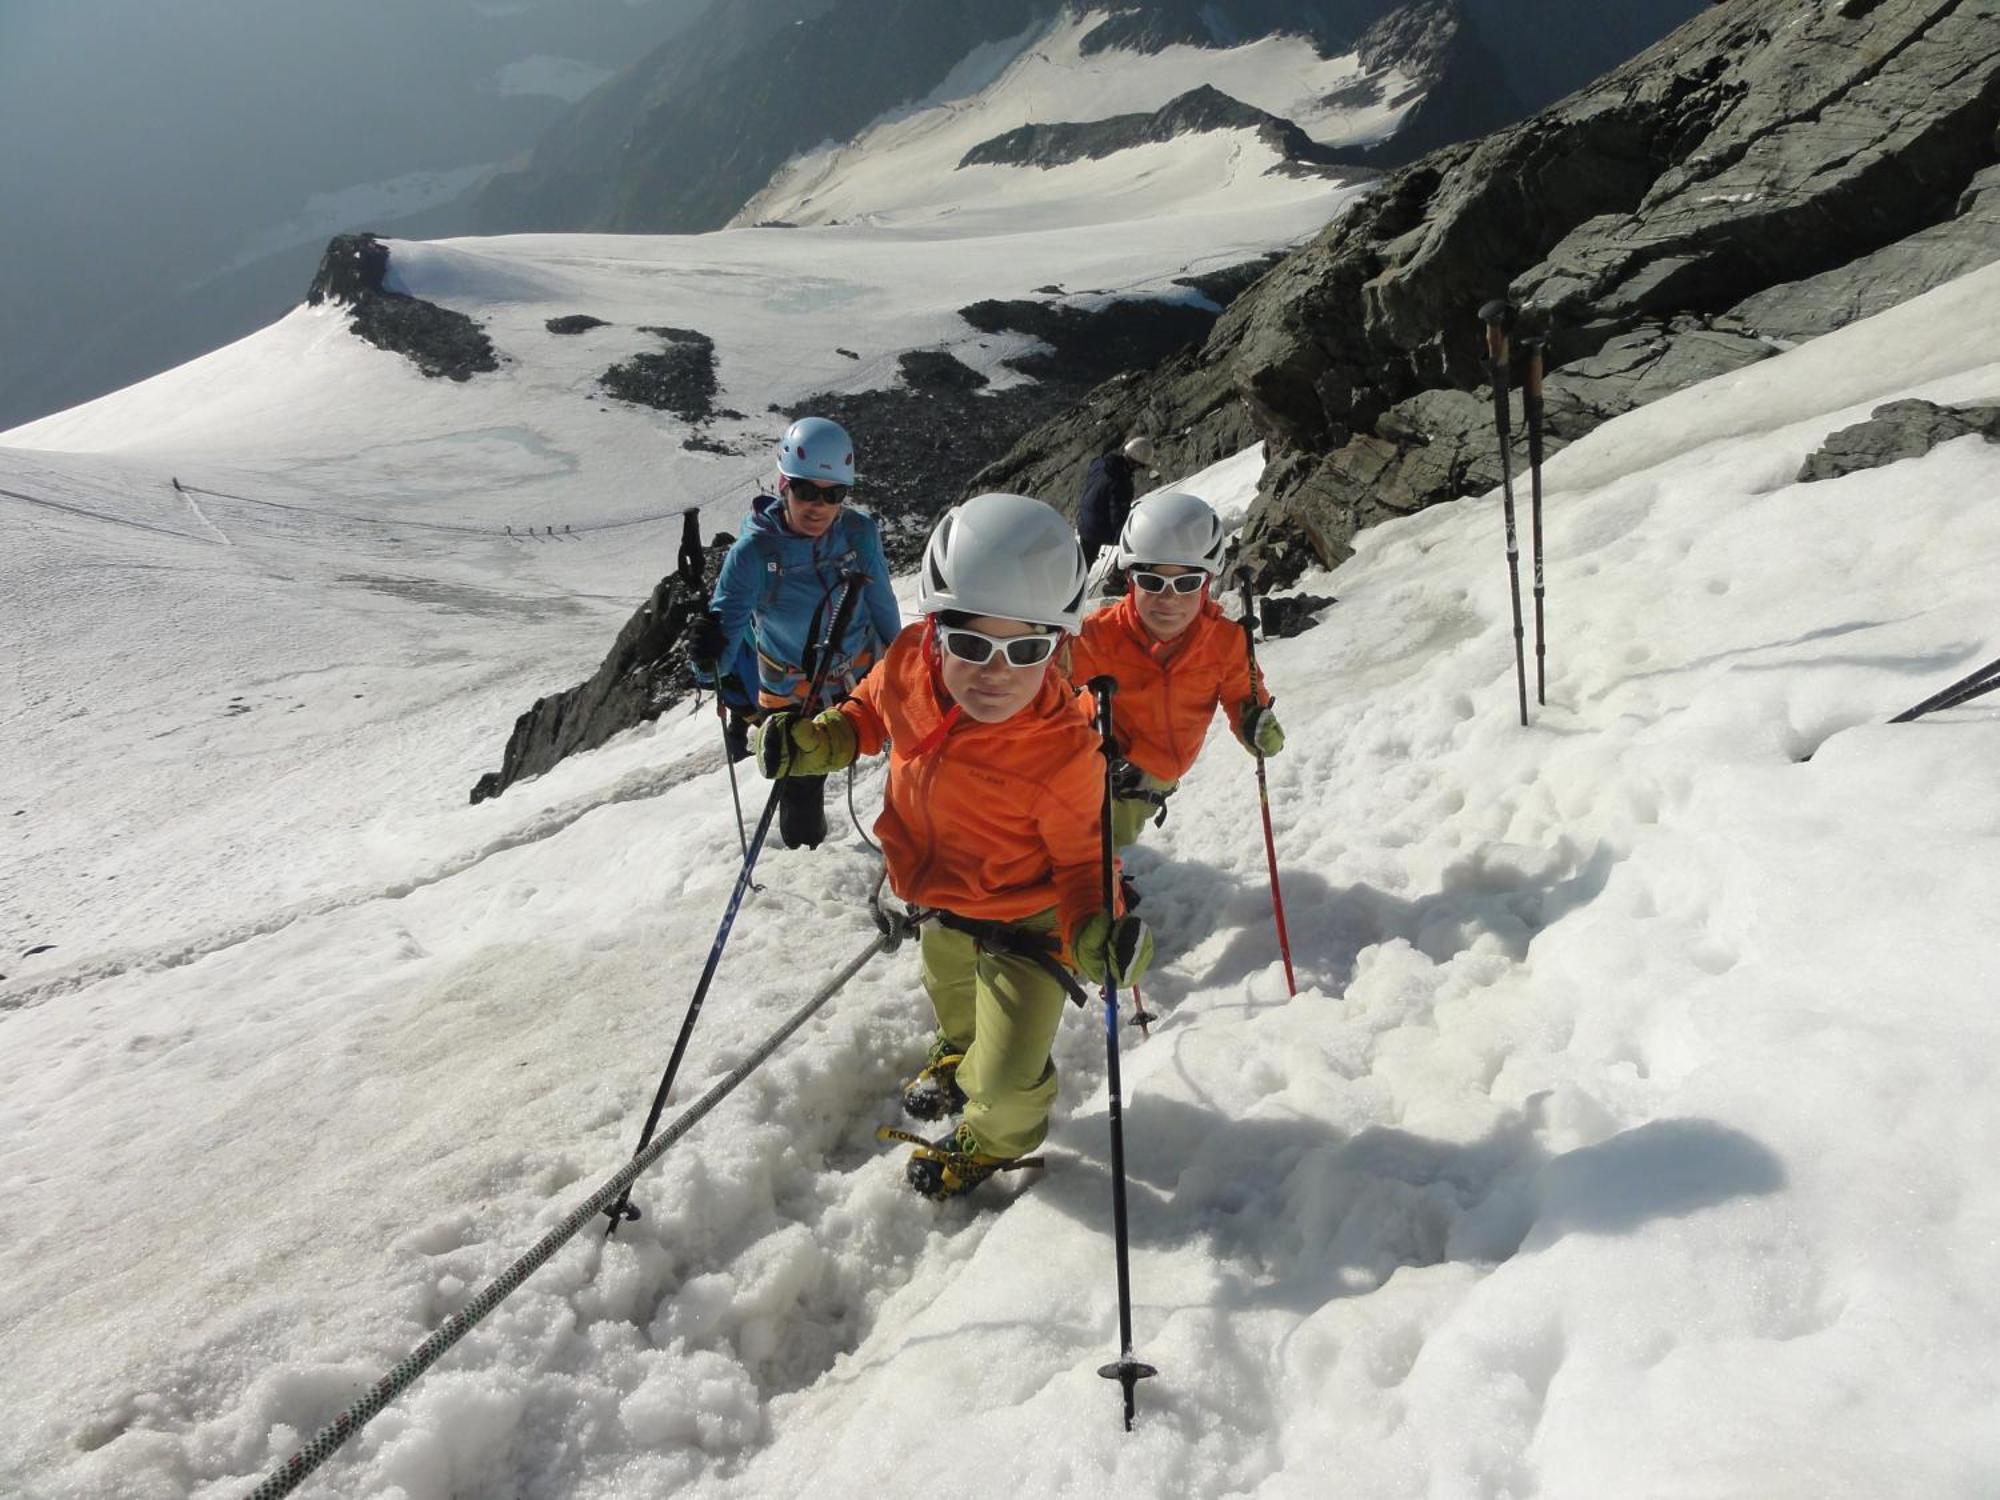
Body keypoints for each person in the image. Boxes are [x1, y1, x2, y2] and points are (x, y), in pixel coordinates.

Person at [754, 492, 1153, 1199]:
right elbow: (868, 712)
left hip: (1029, 927)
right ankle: (957, 1050)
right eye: (971, 644)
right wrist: (822, 742)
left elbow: (1086, 868)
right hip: (937, 903)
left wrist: (1101, 934)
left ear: (1059, 647)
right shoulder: (909, 662)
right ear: (935, 631)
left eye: (1025, 649)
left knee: (1005, 1082)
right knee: (953, 1000)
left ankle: (996, 1139)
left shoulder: (1064, 754)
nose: (995, 672)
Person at [689, 416, 901, 847]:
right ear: (783, 485)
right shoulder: (754, 553)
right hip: (792, 694)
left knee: (914, 766)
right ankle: (806, 862)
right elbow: (720, 652)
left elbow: (883, 606)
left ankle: (915, 856)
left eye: (833, 494)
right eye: (806, 491)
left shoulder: (859, 533)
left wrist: (901, 668)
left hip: (863, 677)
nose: (818, 506)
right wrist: (704, 653)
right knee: (801, 790)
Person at [1069, 491, 1286, 852]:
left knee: (1114, 837)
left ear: (1206, 585)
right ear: (1131, 581)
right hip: (1098, 762)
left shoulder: (1225, 643)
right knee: (1089, 840)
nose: (1168, 599)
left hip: (1154, 775)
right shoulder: (1099, 636)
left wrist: (1254, 722)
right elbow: (1044, 685)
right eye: (1153, 583)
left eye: (1185, 584)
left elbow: (1240, 695)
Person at [1076, 434, 1157, 570]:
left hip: (1084, 520)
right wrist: (1125, 538)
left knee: (1083, 565)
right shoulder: (1122, 482)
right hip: (1097, 529)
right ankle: (1117, 578)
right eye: (1141, 466)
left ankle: (1073, 585)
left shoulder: (1100, 462)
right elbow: (1118, 517)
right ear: (1136, 463)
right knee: (1139, 540)